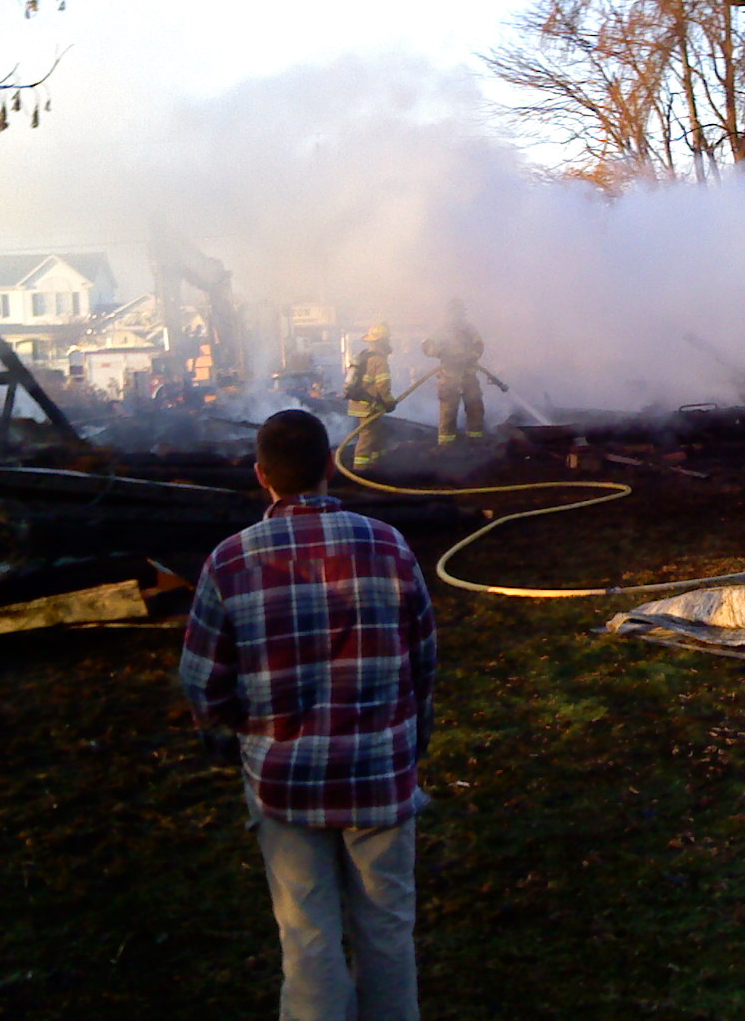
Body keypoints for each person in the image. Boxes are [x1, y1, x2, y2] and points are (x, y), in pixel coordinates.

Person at [180, 409, 437, 1021]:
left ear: (261, 475)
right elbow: (423, 660)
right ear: (329, 466)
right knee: (387, 932)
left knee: (308, 937)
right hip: (380, 774)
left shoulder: (230, 560)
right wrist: (412, 743)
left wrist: (224, 727)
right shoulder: (389, 544)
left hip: (283, 783)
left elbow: (201, 680)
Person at [420, 300, 485, 446]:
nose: (457, 315)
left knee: (475, 409)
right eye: (454, 312)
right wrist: (441, 353)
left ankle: (476, 443)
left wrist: (470, 357)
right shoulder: (442, 330)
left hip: (468, 376)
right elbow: (427, 347)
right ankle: (446, 446)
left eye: (459, 312)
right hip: (449, 377)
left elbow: (479, 346)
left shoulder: (470, 329)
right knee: (448, 413)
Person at [346, 323, 396, 470]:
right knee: (367, 435)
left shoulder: (363, 356)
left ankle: (377, 462)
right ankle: (360, 469)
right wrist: (389, 402)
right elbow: (383, 385)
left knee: (376, 432)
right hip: (368, 405)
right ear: (383, 341)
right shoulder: (379, 360)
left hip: (357, 403)